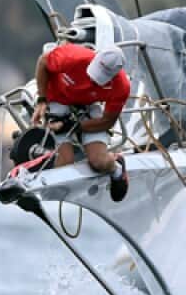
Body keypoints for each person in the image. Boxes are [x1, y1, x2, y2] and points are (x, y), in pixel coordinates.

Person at [31, 43, 130, 201]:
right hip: (58, 99)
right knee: (65, 164)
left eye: (100, 78)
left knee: (99, 162)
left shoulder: (122, 86)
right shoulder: (72, 57)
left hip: (89, 105)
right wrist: (42, 100)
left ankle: (117, 169)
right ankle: (42, 192)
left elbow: (107, 121)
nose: (92, 81)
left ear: (114, 75)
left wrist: (71, 126)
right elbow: (43, 62)